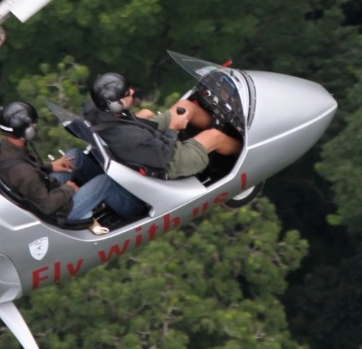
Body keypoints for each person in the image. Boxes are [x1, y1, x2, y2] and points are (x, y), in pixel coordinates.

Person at [61, 72, 241, 234]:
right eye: (127, 94)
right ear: (117, 105)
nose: (131, 91)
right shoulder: (133, 138)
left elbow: (128, 132)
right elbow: (163, 156)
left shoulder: (95, 110)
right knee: (215, 137)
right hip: (163, 164)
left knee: (187, 107)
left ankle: (221, 124)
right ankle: (241, 148)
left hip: (137, 146)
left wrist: (135, 118)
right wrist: (173, 128)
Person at [0, 100, 77, 217]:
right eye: (34, 125)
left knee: (76, 156)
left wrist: (51, 166)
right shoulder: (26, 174)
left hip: (35, 192)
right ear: (28, 131)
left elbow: (19, 169)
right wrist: (69, 189)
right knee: (103, 182)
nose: (35, 127)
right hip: (57, 212)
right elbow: (46, 206)